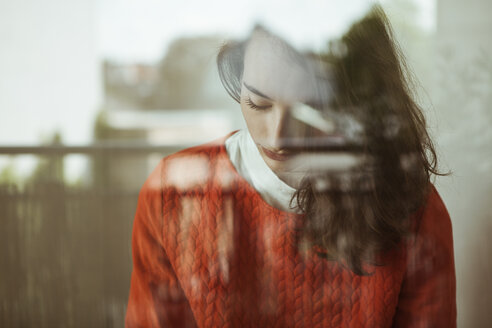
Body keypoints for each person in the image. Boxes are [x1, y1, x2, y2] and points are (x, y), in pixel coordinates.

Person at [125, 5, 456, 327]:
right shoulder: (172, 196)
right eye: (258, 102)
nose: (279, 137)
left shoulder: (410, 207)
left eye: (308, 109)